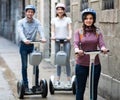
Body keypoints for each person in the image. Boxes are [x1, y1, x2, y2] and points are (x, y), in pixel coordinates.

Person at [74, 8, 108, 100]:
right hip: (81, 64)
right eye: (86, 18)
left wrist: (103, 49)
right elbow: (76, 43)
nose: (88, 20)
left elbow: (101, 44)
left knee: (93, 88)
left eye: (91, 18)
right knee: (80, 89)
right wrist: (77, 50)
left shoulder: (97, 31)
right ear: (83, 20)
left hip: (95, 64)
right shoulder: (79, 32)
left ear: (94, 19)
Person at [17, 5, 46, 93]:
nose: (30, 13)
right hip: (24, 46)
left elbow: (40, 30)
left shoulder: (37, 22)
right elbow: (20, 32)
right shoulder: (21, 22)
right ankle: (25, 86)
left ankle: (36, 85)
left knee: (36, 66)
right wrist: (24, 40)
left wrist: (43, 37)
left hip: (32, 45)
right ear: (26, 12)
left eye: (31, 12)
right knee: (25, 66)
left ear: (33, 13)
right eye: (28, 11)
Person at [51, 3, 72, 85]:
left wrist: (69, 36)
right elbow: (52, 30)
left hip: (66, 41)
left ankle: (68, 80)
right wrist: (53, 36)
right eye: (58, 9)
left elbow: (70, 29)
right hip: (57, 41)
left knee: (67, 60)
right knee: (58, 60)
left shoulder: (68, 19)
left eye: (61, 9)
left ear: (64, 10)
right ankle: (58, 80)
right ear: (56, 10)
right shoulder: (54, 20)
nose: (60, 11)